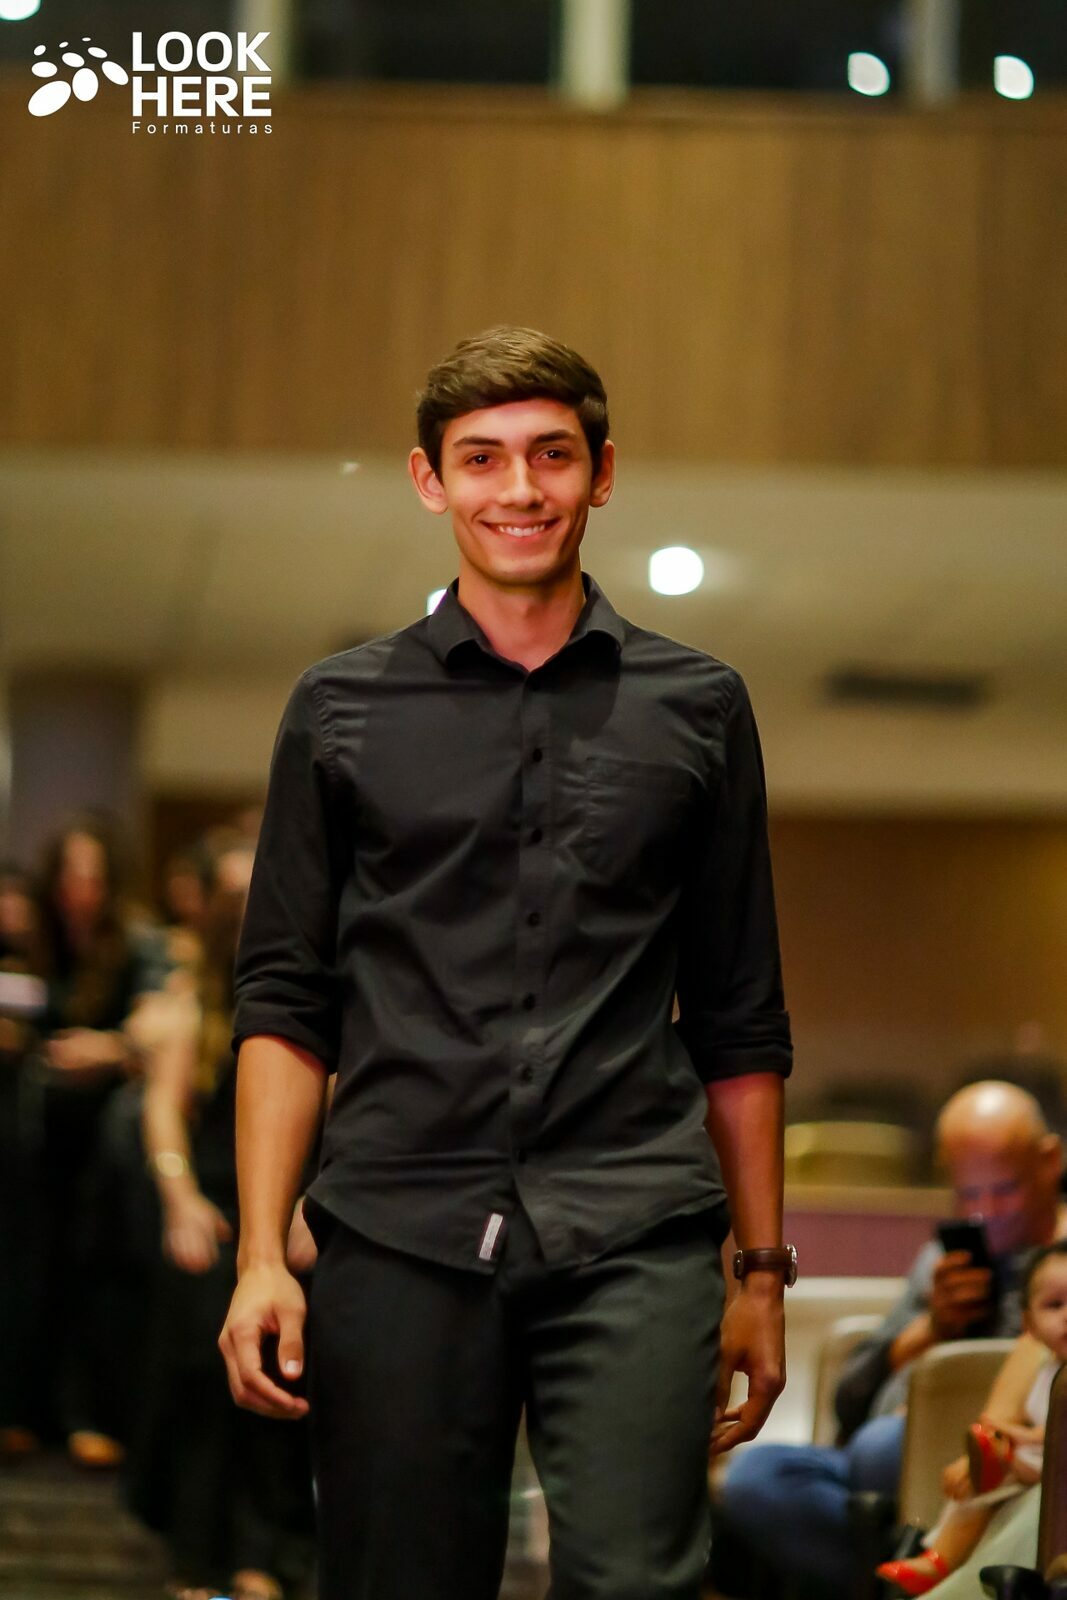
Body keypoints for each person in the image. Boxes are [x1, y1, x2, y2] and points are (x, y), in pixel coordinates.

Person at [218, 324, 796, 1600]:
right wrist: (262, 1253)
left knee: (638, 1583)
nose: (518, 488)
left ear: (602, 472)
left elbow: (738, 1012)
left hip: (634, 1220)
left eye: (550, 454)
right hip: (396, 1223)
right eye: (480, 458)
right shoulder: (337, 708)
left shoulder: (699, 707)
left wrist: (759, 1272)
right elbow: (286, 999)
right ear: (429, 481)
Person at [711, 1079, 1067, 1599]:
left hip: (981, 1464)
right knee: (756, 1477)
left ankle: (901, 1566)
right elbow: (850, 1396)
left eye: (1005, 1189)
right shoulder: (944, 1260)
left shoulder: (1059, 1270)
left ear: (1050, 1161)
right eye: (970, 1194)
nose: (988, 1212)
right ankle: (909, 1566)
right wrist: (935, 1326)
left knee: (881, 1447)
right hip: (867, 1463)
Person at [128, 831, 314, 1600]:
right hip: (214, 1207)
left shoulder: (317, 1003)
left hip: (289, 1211)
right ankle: (197, 1555)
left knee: (284, 1377)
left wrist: (307, 1209)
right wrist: (181, 1199)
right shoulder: (194, 1003)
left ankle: (262, 1553)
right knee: (203, 1381)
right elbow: (163, 1111)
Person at [877, 1239, 1067, 1594]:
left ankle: (945, 1554)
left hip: (1052, 1464)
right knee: (975, 1493)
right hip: (1035, 1461)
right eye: (1054, 1305)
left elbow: (1058, 1431)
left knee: (997, 1477)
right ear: (1028, 1323)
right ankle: (938, 1556)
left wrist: (1020, 1437)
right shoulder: (1044, 1369)